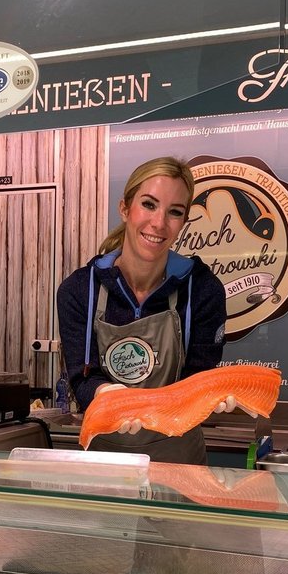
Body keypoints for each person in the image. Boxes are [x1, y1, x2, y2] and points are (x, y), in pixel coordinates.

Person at [57, 156, 233, 465]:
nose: (159, 223)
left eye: (174, 212)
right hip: (106, 463)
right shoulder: (79, 289)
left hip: (178, 459)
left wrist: (210, 395)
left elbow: (197, 377)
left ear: (183, 221)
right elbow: (82, 378)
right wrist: (106, 395)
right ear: (125, 208)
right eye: (149, 205)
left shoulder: (203, 290)